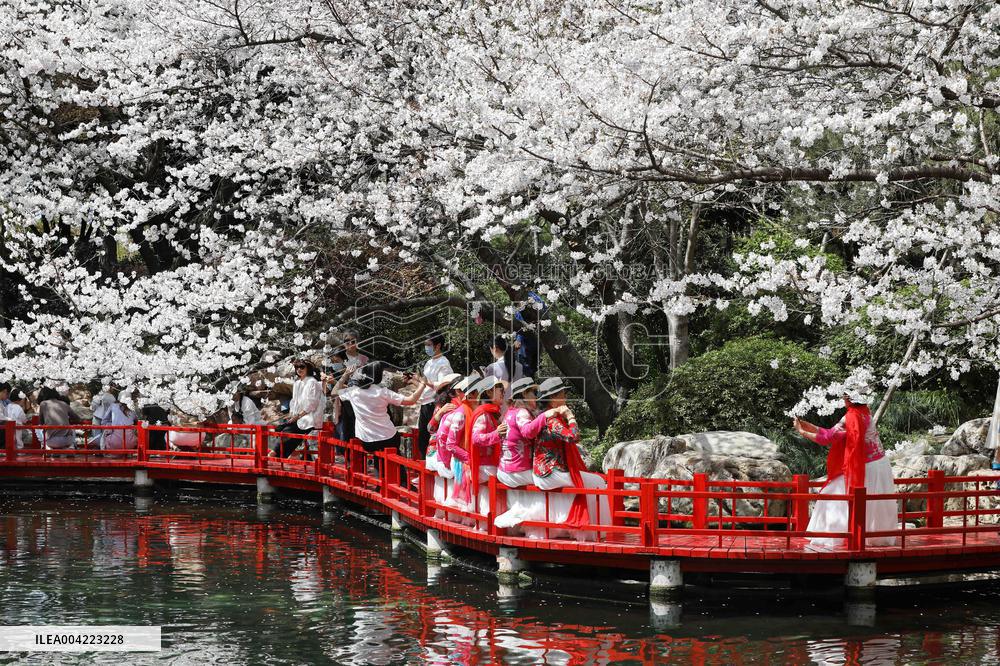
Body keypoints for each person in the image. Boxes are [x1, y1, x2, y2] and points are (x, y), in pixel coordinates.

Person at [793, 388, 898, 549]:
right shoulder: (865, 413)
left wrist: (802, 432)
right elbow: (833, 433)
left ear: (848, 399)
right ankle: (874, 537)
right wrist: (810, 426)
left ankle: (831, 538)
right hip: (880, 463)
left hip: (866, 465)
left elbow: (828, 438)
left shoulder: (851, 417)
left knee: (833, 493)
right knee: (873, 502)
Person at [528, 377, 610, 540]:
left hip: (546, 470)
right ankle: (595, 532)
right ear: (552, 399)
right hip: (550, 472)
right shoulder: (552, 421)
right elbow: (574, 437)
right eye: (562, 394)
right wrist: (570, 416)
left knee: (594, 480)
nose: (565, 396)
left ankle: (590, 530)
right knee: (598, 483)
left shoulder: (546, 417)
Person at [493, 378, 564, 532]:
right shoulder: (522, 413)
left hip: (506, 469)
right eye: (533, 393)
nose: (536, 397)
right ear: (524, 394)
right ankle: (552, 526)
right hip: (516, 470)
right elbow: (528, 432)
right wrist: (545, 416)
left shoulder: (509, 413)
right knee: (549, 479)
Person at [331, 361, 427, 454]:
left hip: (367, 440)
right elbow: (411, 400)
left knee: (378, 461)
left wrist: (345, 375)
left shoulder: (353, 392)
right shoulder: (382, 392)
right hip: (388, 436)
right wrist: (422, 385)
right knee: (395, 464)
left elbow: (334, 393)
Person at [271, 359, 325, 458]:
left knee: (286, 434)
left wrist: (297, 416)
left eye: (302, 367)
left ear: (307, 368)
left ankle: (274, 455)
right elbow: (294, 401)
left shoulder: (312, 382)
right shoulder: (297, 383)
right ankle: (281, 455)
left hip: (308, 417)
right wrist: (291, 415)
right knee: (282, 431)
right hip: (297, 417)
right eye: (297, 367)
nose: (299, 369)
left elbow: (312, 403)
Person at [416, 332, 454, 459]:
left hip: (434, 403)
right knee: (422, 438)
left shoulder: (443, 363)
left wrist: (427, 382)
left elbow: (444, 384)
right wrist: (414, 380)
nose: (426, 347)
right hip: (424, 402)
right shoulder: (429, 362)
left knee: (432, 438)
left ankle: (433, 467)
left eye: (428, 344)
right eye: (425, 344)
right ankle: (424, 469)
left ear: (437, 346)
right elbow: (426, 383)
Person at [485, 335, 523, 399]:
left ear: (494, 348)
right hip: (516, 405)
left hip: (500, 406)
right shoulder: (520, 366)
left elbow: (487, 390)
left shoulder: (492, 367)